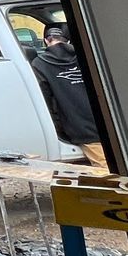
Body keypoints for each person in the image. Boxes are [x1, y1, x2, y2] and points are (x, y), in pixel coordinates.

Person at [31, 23, 109, 167]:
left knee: (108, 170)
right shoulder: (88, 55)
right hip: (109, 120)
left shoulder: (39, 64)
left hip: (82, 129)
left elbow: (45, 101)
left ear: (46, 40)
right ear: (68, 40)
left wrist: (58, 127)